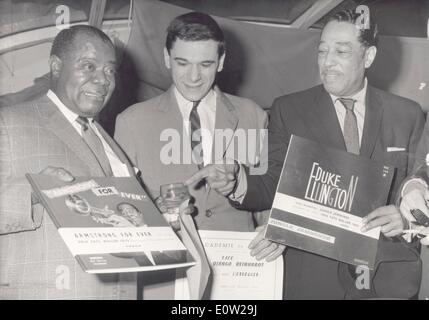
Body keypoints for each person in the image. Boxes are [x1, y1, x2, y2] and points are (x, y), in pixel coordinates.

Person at [187, 9, 425, 299]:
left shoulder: (408, 115)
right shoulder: (290, 110)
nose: (327, 62)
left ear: (369, 57)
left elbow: (420, 184)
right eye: (322, 51)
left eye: (341, 51)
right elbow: (272, 182)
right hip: (314, 279)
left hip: (388, 281)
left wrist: (407, 218)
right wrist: (237, 182)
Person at [115, 12, 283, 299]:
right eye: (182, 63)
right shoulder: (131, 122)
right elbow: (121, 211)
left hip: (239, 278)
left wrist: (275, 230)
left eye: (205, 64)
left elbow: (269, 197)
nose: (194, 77)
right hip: (167, 280)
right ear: (167, 58)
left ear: (221, 61)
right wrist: (157, 216)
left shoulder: (252, 115)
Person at [0, 25, 140, 299]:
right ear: (55, 65)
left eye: (110, 70)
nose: (103, 80)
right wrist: (33, 192)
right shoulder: (8, 122)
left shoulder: (107, 140)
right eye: (89, 66)